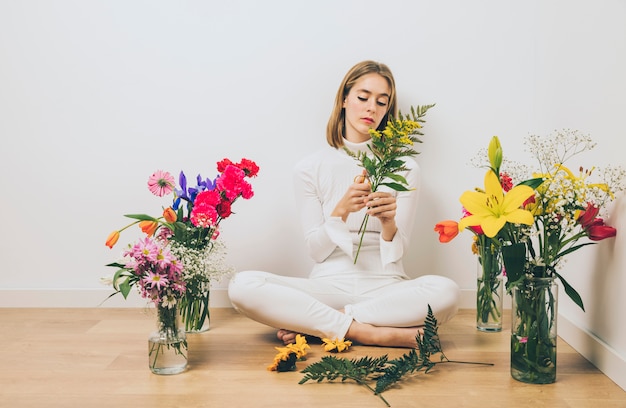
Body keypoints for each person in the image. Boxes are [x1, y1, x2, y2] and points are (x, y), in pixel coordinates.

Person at [228, 60, 459, 348]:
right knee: (242, 286)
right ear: (344, 99)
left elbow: (397, 253)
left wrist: (388, 224)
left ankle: (324, 324)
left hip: (386, 287)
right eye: (363, 97)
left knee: (447, 292)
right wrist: (341, 211)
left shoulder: (405, 168)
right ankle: (369, 332)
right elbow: (316, 251)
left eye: (381, 102)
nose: (371, 107)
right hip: (328, 285)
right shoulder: (310, 168)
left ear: (388, 110)